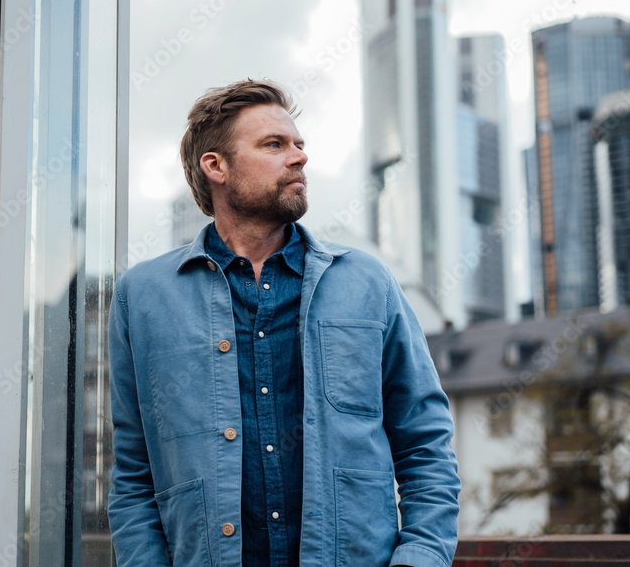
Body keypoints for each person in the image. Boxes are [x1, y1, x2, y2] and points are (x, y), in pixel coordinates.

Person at [108, 79, 460, 567]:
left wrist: (420, 557)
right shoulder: (142, 297)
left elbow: (425, 442)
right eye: (274, 145)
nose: (298, 158)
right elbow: (133, 473)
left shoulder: (367, 282)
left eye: (299, 145)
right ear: (217, 167)